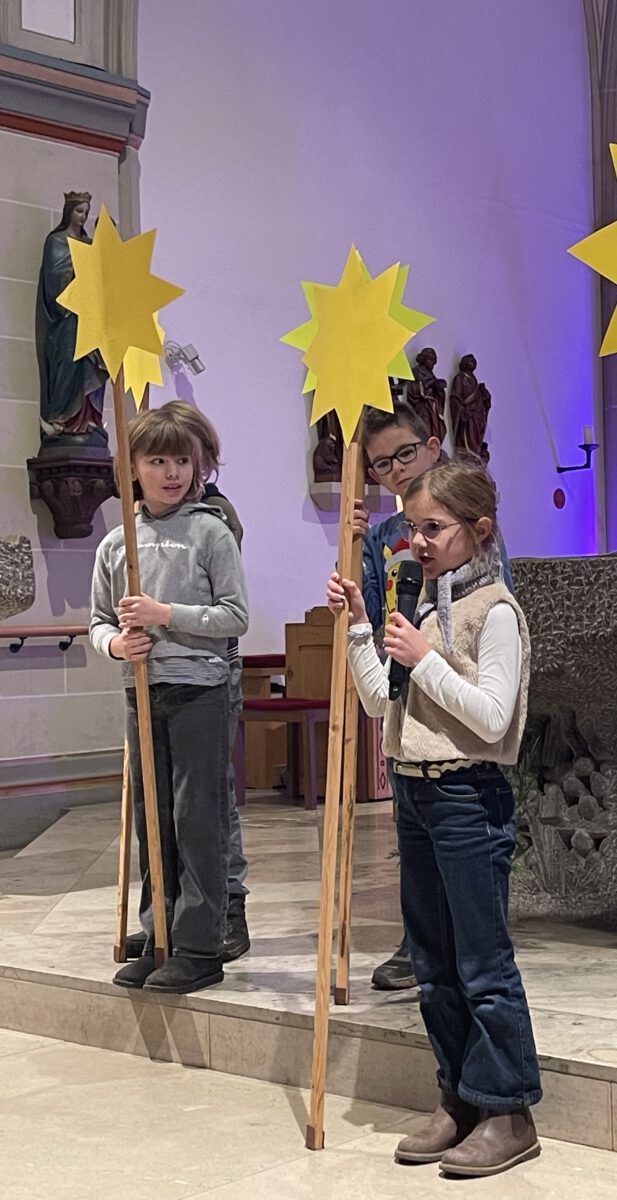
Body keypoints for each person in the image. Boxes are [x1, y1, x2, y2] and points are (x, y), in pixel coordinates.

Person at [327, 458, 541, 1177]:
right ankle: (457, 1096)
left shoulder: (495, 611)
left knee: (482, 961)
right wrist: (360, 629)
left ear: (479, 529)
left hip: (467, 796)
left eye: (434, 527)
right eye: (413, 527)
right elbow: (379, 703)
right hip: (414, 791)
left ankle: (507, 1109)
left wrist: (425, 660)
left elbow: (491, 716)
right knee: (433, 961)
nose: (417, 541)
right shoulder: (421, 603)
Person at [90, 403, 249, 994]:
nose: (172, 472)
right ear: (133, 467)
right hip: (142, 691)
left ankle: (201, 945)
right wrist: (116, 645)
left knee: (196, 818)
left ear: (198, 464)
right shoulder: (117, 543)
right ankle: (160, 935)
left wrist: (165, 614)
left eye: (182, 460)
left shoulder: (210, 532)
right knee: (153, 818)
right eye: (157, 460)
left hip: (200, 689)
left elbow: (235, 616)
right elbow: (99, 622)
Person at [357, 401, 514, 990]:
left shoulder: (464, 521)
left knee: (466, 852)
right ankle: (418, 939)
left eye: (404, 453)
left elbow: (488, 603)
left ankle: (472, 938)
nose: (395, 469)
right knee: (415, 834)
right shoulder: (383, 535)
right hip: (406, 692)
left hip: (460, 707)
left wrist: (430, 657)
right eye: (380, 464)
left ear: (431, 445)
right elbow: (378, 608)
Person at [35, 191, 109, 439]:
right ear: (68, 212)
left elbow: (103, 275)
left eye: (86, 213)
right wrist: (81, 268)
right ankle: (60, 418)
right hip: (67, 318)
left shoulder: (89, 243)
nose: (83, 217)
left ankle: (89, 419)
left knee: (91, 367)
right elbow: (55, 279)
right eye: (79, 211)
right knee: (68, 362)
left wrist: (104, 242)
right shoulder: (56, 241)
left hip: (89, 316)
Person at [450, 354, 491, 463]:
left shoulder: (474, 381)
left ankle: (474, 457)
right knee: (468, 440)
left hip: (477, 416)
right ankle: (468, 458)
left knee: (475, 441)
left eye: (473, 361)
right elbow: (455, 398)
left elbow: (479, 400)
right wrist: (462, 411)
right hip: (468, 416)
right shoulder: (460, 378)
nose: (471, 363)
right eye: (469, 361)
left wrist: (485, 398)